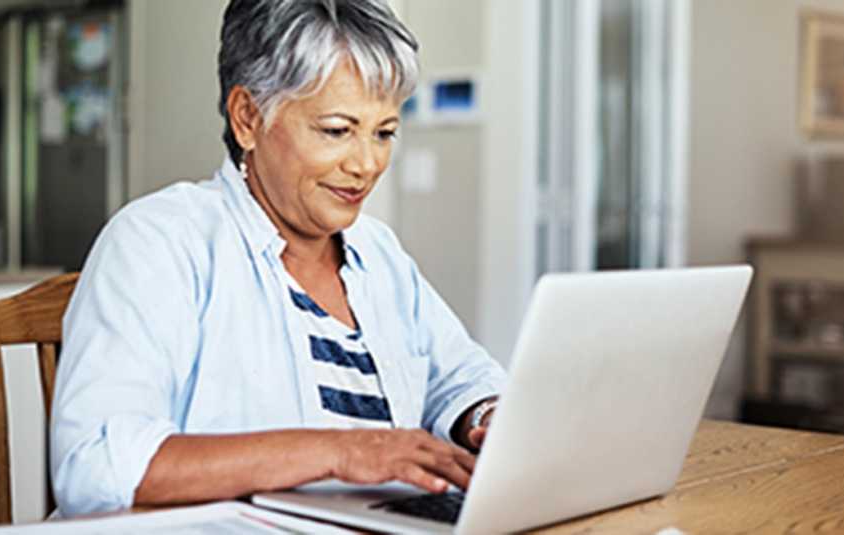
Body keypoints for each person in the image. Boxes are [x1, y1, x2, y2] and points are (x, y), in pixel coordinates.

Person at [50, 0, 506, 517]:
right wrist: (340, 452)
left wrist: (483, 414)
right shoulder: (160, 242)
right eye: (337, 130)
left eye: (384, 133)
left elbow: (461, 378)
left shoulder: (377, 254)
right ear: (247, 118)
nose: (366, 165)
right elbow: (96, 467)